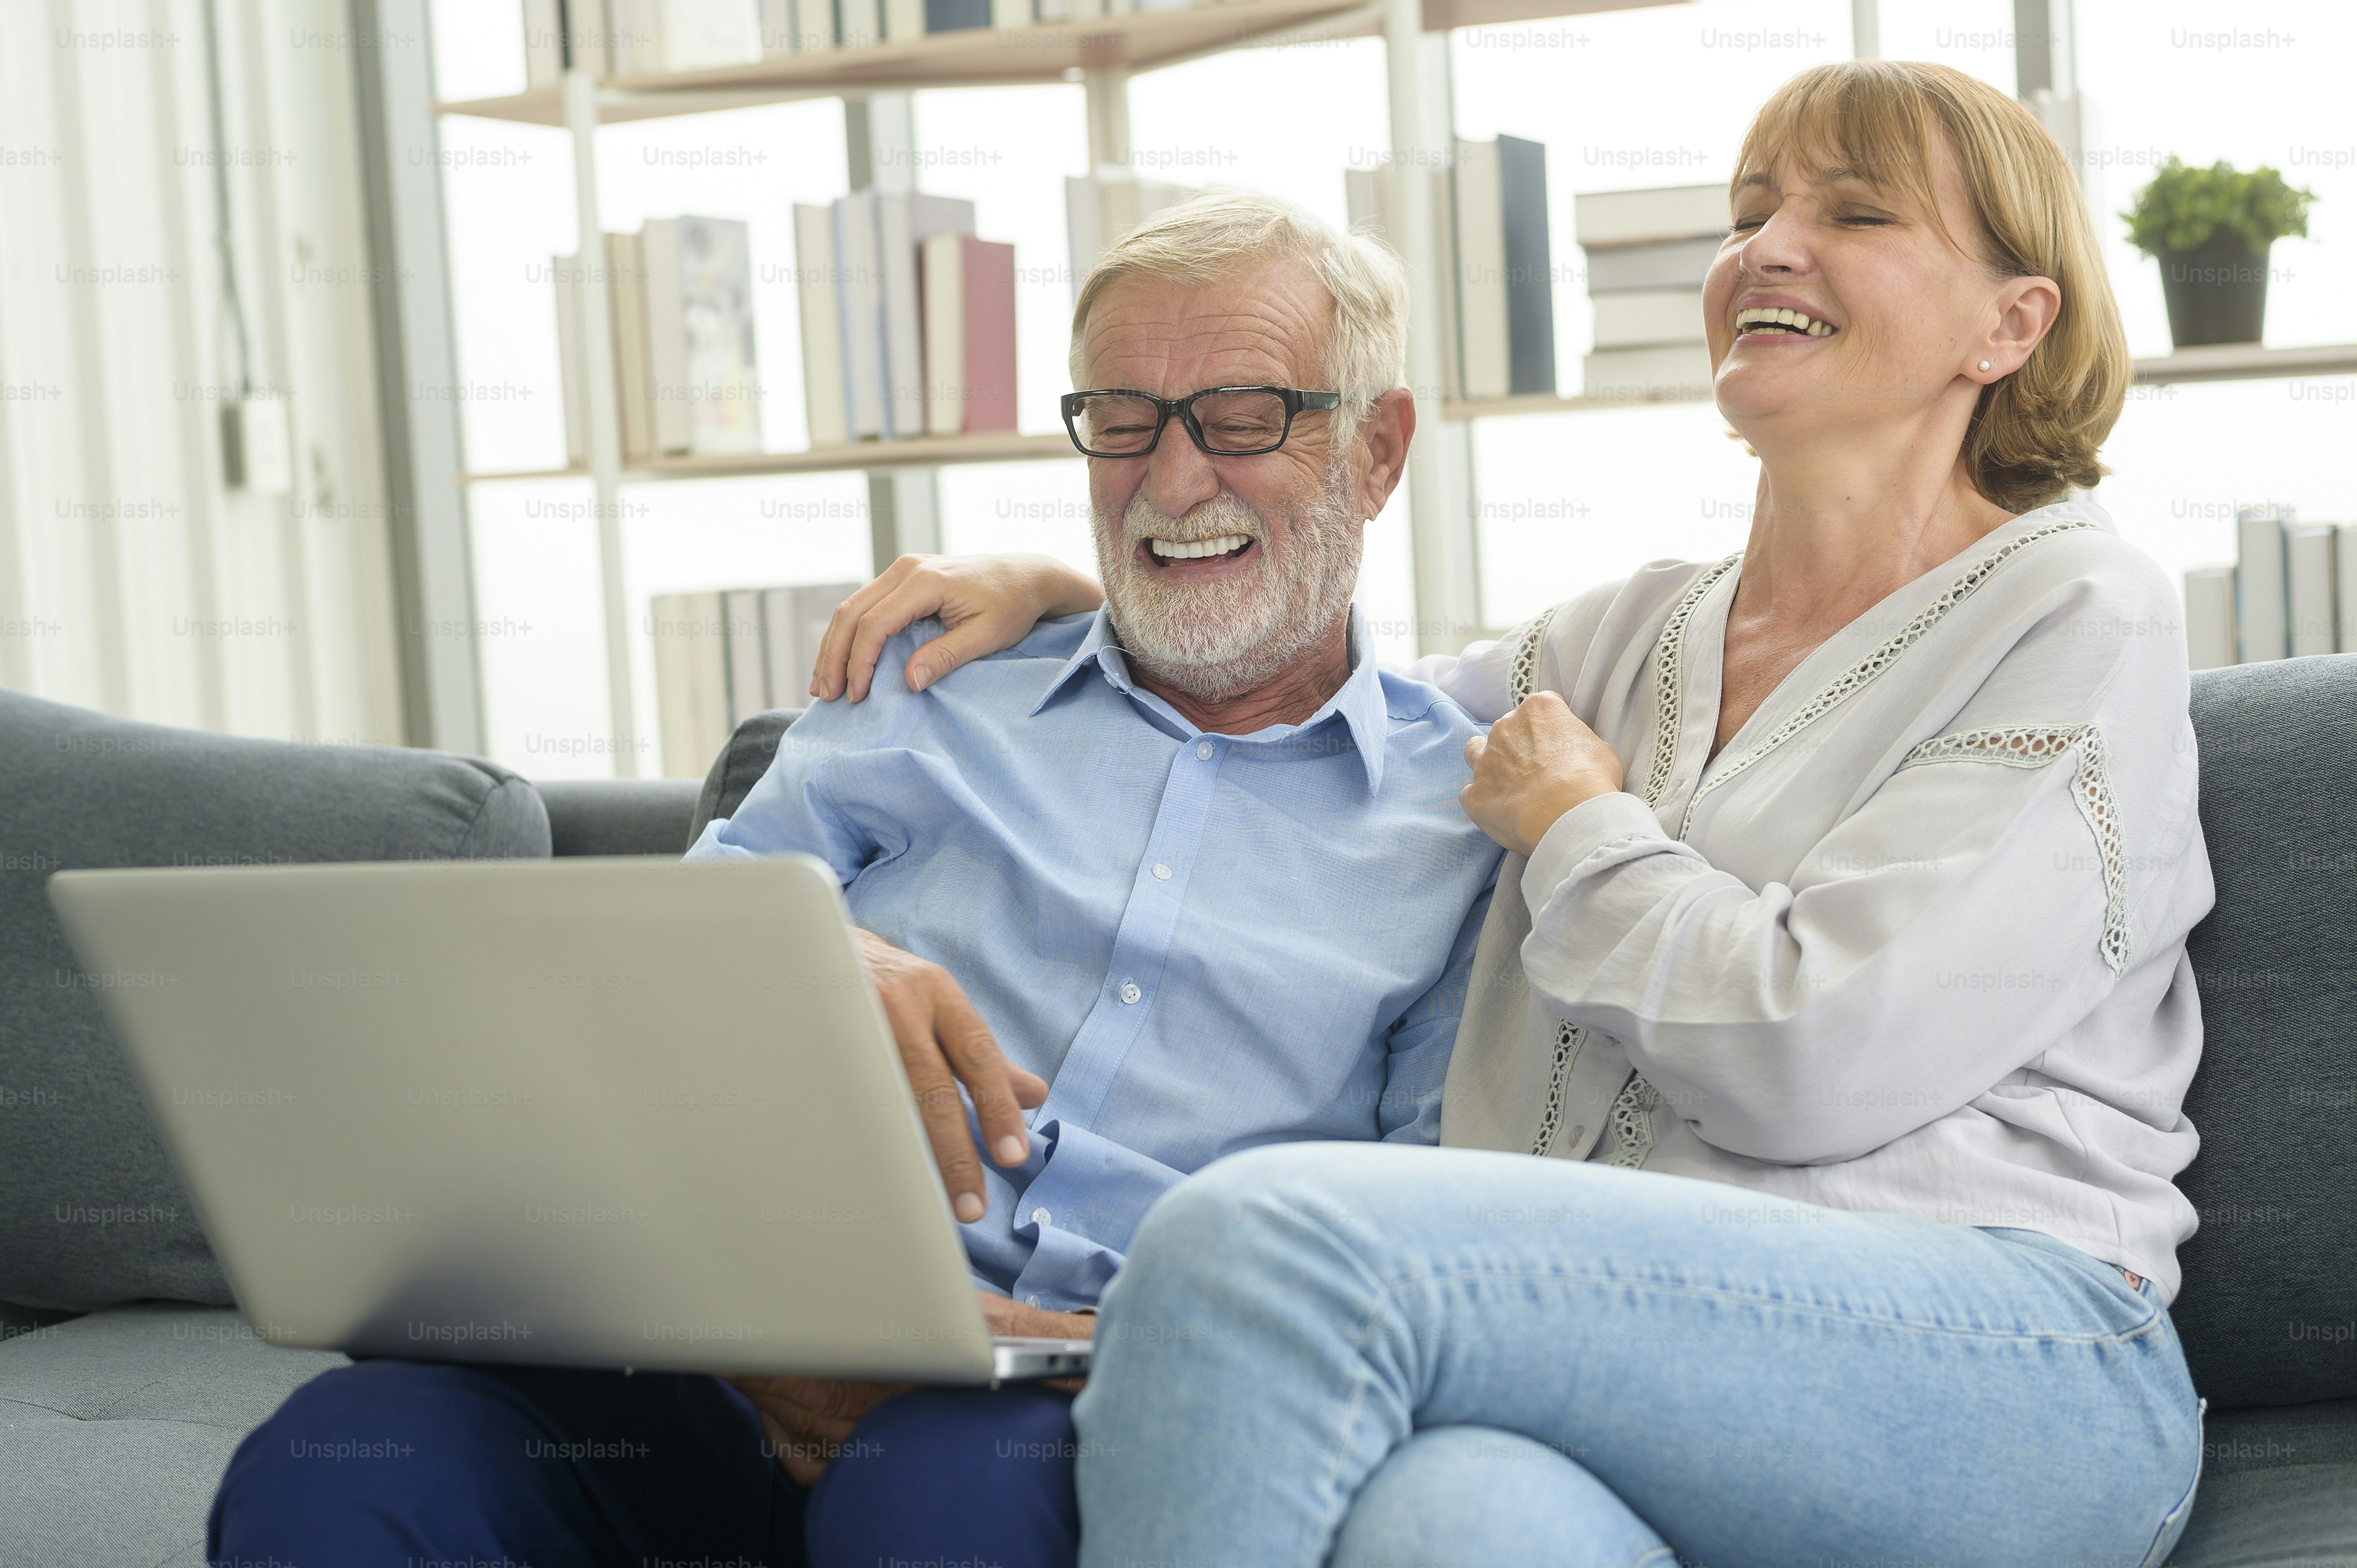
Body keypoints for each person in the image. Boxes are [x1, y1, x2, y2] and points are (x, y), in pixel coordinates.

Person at [807, 61, 2211, 1568]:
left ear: (2012, 322)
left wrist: (1583, 830)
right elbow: (1312, 697)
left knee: (1256, 1243)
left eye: (1851, 211)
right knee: (1446, 1522)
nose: (1766, 247)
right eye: (1749, 213)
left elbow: (1816, 1052)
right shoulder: (1617, 640)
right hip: (1642, 1365)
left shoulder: (2079, 607)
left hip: (2002, 1353)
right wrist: (1086, 589)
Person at [205, 192, 1503, 1568]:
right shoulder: (927, 690)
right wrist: (804, 959)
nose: (1171, 481)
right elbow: (650, 964)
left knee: (933, 1493)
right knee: (346, 1458)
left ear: (1374, 448)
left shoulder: (1465, 823)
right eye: (1122, 418)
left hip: (1064, 1396)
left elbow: (1413, 1245)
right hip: (711, 1352)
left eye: (1240, 415)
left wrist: (1123, 1343)